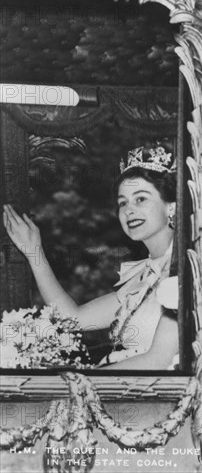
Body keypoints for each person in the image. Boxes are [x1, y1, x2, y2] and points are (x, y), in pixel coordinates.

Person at [3, 144, 179, 369]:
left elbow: (158, 361)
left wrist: (82, 382)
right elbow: (72, 318)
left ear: (171, 206)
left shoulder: (182, 271)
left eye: (141, 199)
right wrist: (33, 251)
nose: (128, 210)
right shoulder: (143, 277)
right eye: (122, 203)